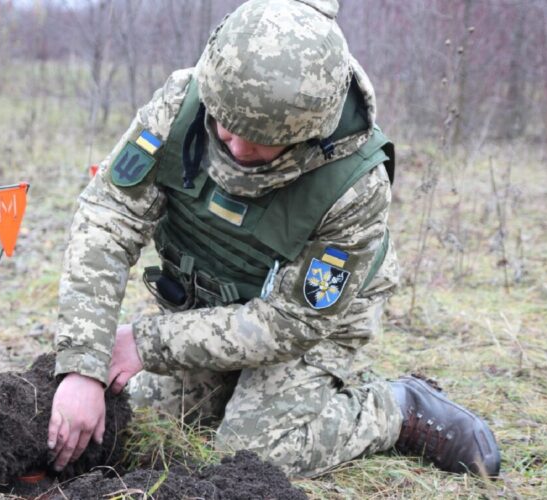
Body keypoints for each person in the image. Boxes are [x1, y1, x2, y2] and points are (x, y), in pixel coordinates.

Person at [46, 0, 501, 479]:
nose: (238, 149)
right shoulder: (181, 105)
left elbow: (292, 323)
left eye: (261, 141)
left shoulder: (353, 183)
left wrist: (146, 342)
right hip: (209, 305)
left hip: (312, 326)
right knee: (135, 418)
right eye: (227, 127)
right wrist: (83, 365)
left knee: (255, 455)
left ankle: (393, 409)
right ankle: (231, 388)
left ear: (308, 132)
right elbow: (106, 219)